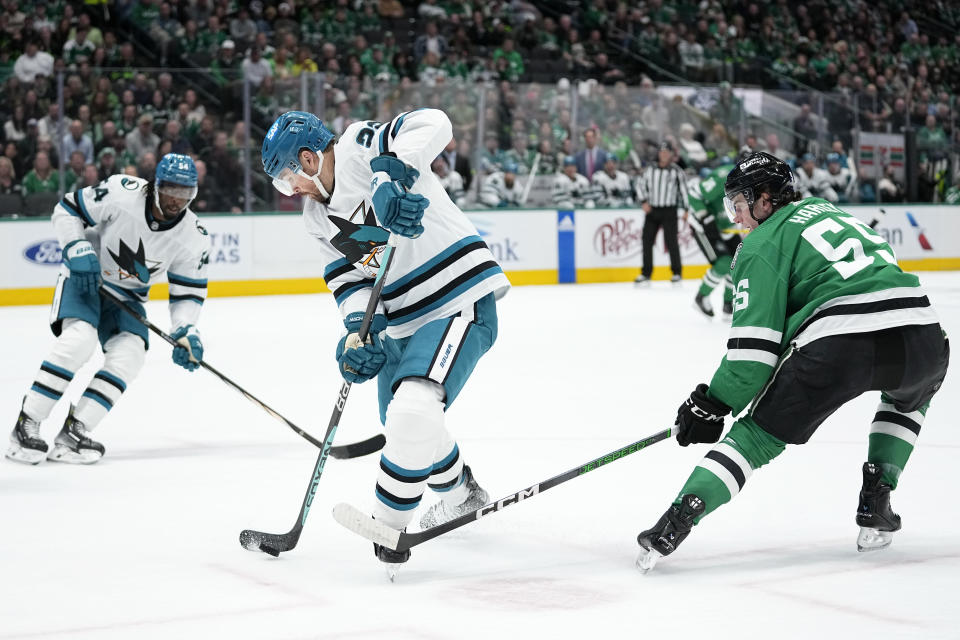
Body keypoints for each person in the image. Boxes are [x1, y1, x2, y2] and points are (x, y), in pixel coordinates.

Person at [635, 152, 949, 572]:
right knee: (908, 400)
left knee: (756, 438)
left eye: (741, 204)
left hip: (840, 343)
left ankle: (676, 520)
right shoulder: (827, 210)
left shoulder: (761, 244)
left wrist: (710, 403)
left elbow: (752, 359)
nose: (739, 217)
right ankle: (877, 498)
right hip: (922, 333)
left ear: (765, 199)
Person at [260, 110, 510, 577]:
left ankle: (389, 525)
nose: (290, 190)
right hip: (399, 319)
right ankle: (461, 495)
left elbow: (434, 123)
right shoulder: (318, 217)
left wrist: (390, 172)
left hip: (455, 295)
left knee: (413, 410)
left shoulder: (359, 147)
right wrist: (358, 332)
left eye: (287, 177)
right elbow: (350, 277)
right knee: (403, 427)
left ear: (309, 158)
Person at [7, 154, 210, 466]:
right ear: (156, 185)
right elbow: (67, 209)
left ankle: (75, 432)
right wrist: (76, 246)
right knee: (79, 340)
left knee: (130, 354)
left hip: (128, 298)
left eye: (185, 194)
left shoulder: (193, 238)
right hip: (86, 279)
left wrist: (185, 331)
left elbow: (187, 293)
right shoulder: (120, 193)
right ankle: (27, 423)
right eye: (171, 190)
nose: (176, 200)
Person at [689, 161, 739, 318]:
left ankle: (728, 304)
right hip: (705, 228)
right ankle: (701, 297)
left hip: (725, 225)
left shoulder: (755, 181)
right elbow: (694, 193)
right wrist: (704, 215)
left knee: (738, 261)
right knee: (724, 262)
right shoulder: (722, 177)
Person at [634, 142, 690, 285]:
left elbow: (683, 190)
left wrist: (686, 209)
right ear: (658, 153)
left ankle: (677, 273)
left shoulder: (676, 171)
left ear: (671, 154)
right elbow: (640, 184)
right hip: (652, 210)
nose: (664, 154)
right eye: (661, 151)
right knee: (647, 240)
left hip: (669, 210)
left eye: (666, 152)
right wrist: (643, 201)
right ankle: (646, 273)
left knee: (671, 242)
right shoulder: (650, 170)